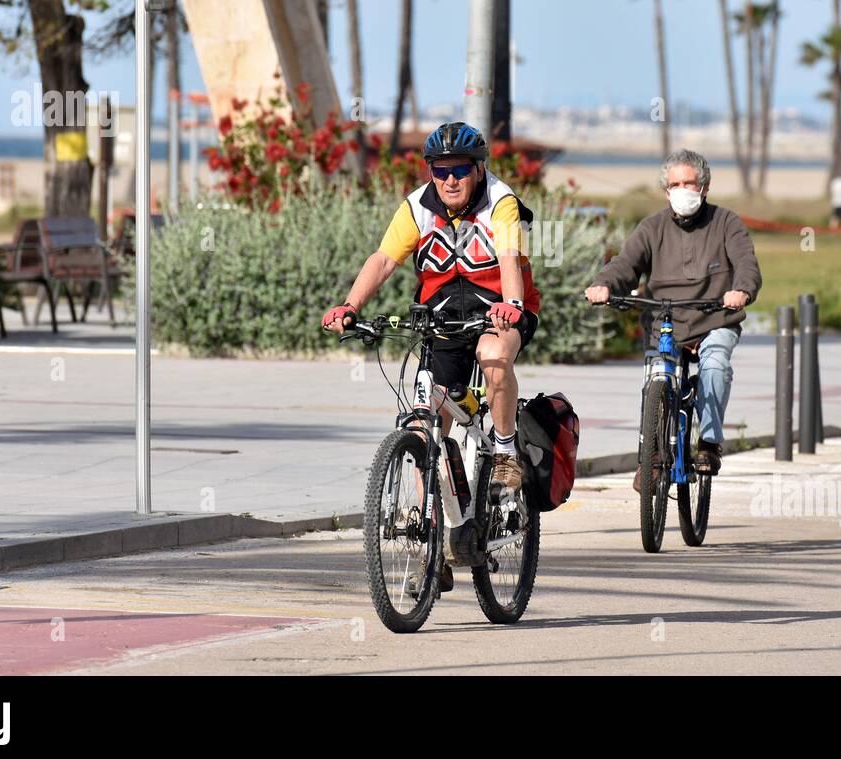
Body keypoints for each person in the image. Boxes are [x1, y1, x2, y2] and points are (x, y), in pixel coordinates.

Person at [322, 123, 540, 591]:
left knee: (493, 355)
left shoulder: (500, 203)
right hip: (440, 320)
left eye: (460, 169)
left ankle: (503, 450)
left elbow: (507, 259)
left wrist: (513, 307)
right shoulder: (417, 206)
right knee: (426, 422)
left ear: (479, 169)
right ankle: (434, 540)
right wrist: (351, 306)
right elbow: (383, 259)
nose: (450, 180)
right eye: (440, 171)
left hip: (498, 311)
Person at [584, 149, 762, 490]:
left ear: (704, 187)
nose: (683, 189)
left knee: (715, 365)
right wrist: (604, 285)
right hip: (665, 322)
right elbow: (626, 264)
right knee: (656, 379)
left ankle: (709, 445)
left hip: (715, 318)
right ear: (666, 191)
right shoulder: (652, 227)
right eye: (676, 184)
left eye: (690, 183)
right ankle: (650, 457)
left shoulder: (727, 223)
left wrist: (741, 289)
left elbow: (746, 264)